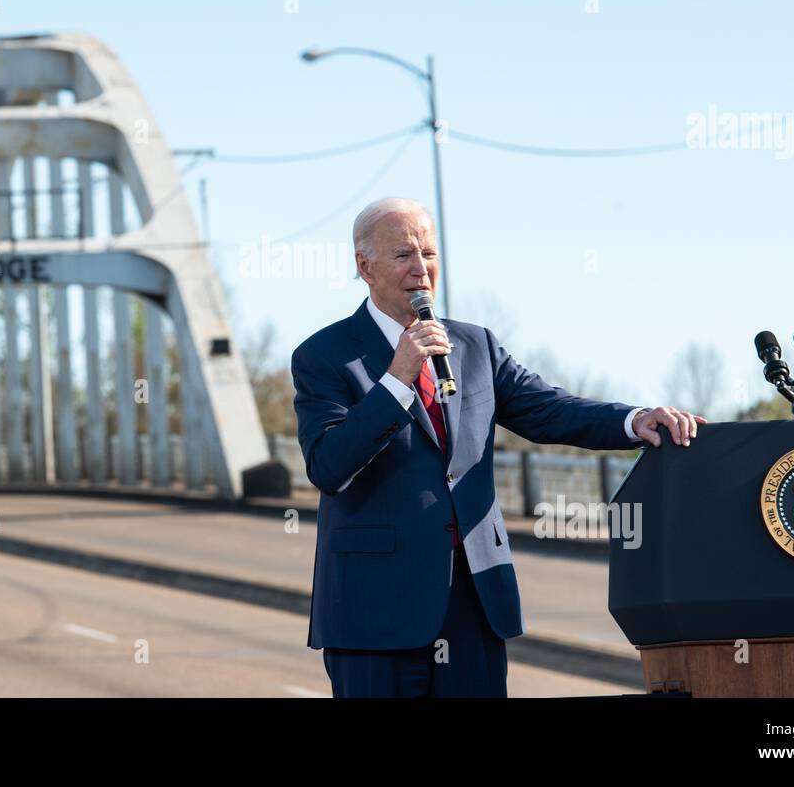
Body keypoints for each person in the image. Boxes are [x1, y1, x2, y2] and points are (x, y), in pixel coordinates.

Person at [290, 197, 705, 697]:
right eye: (403, 255)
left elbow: (550, 409)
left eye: (429, 253)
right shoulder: (324, 355)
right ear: (365, 266)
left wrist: (636, 420)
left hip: (475, 603)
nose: (421, 269)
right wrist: (398, 377)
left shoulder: (474, 345)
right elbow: (330, 466)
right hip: (376, 611)